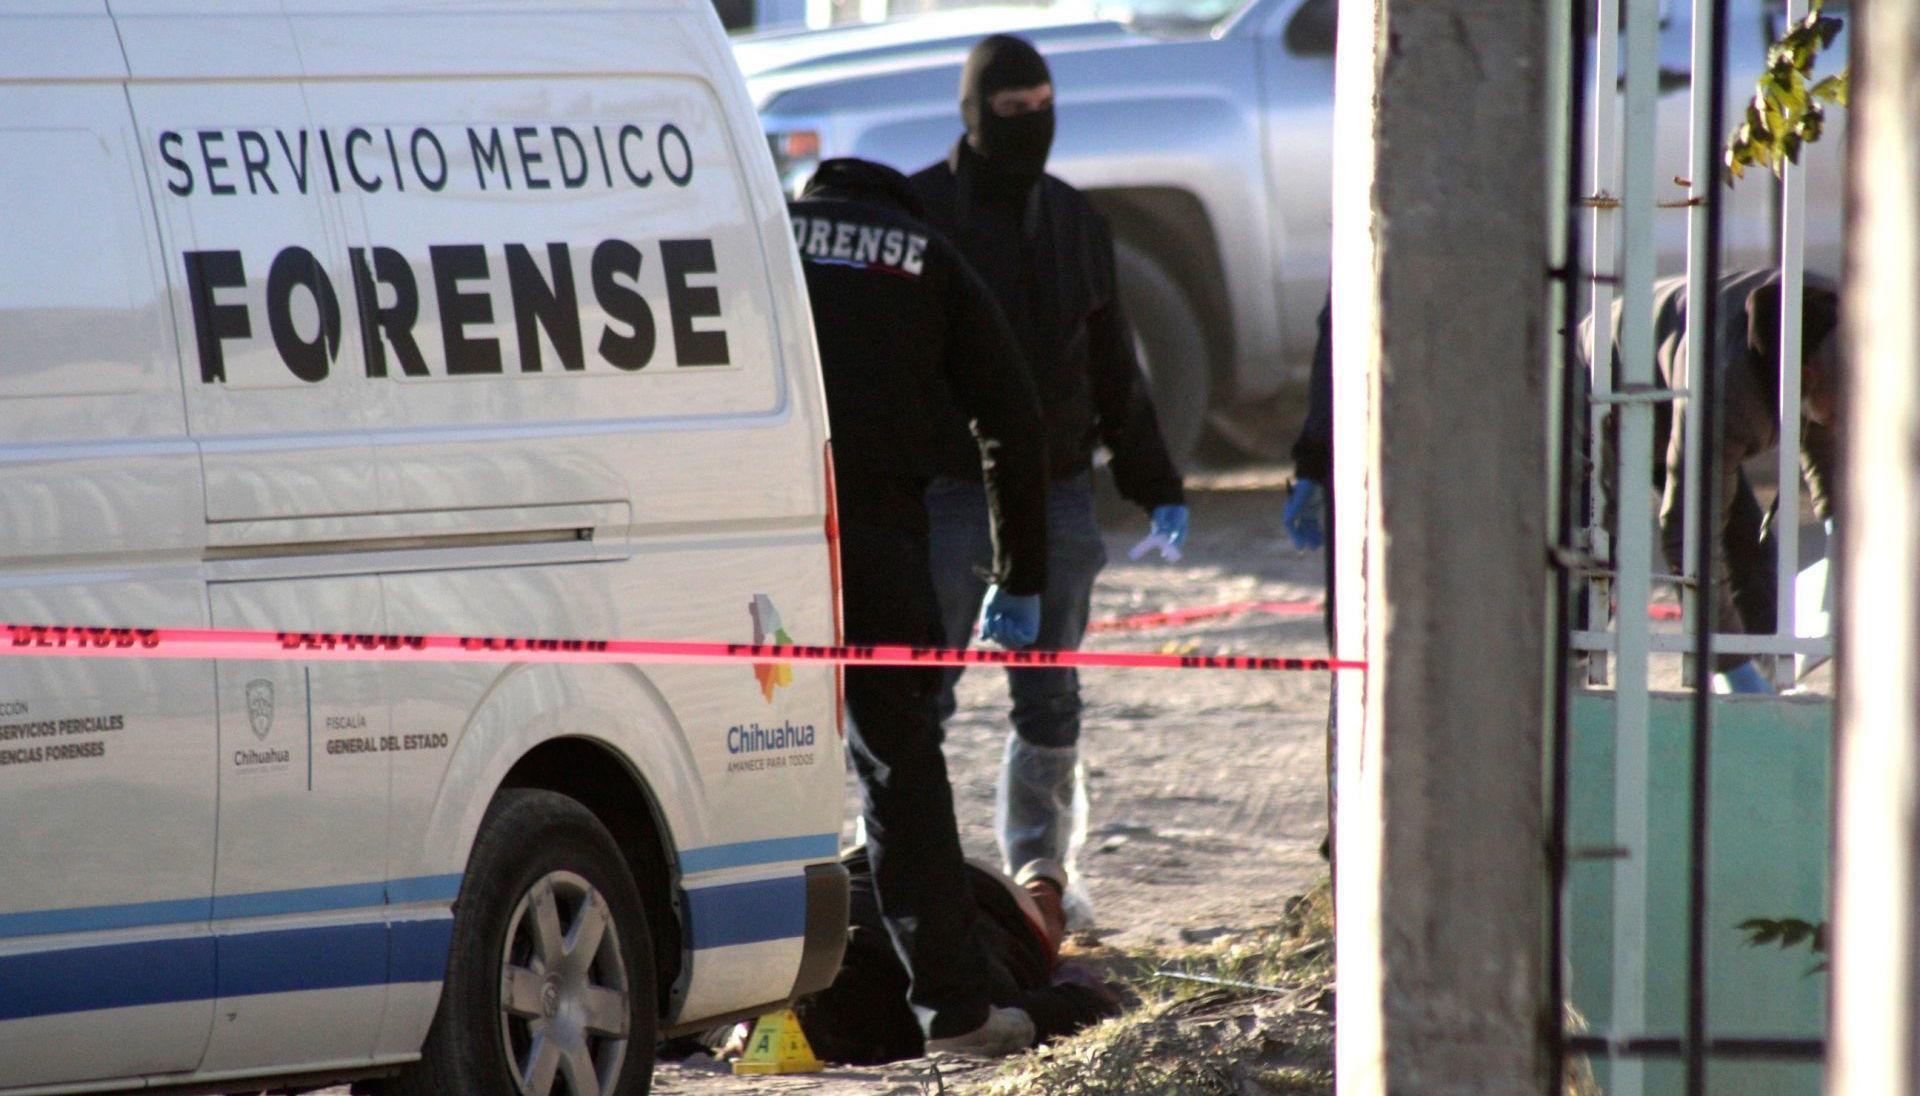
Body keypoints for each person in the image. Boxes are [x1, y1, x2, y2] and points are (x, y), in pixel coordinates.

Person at [910, 35, 1189, 927]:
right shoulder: (922, 217)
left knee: (1050, 693)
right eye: (1011, 111)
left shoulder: (1076, 223)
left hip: (1061, 489)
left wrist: (1156, 481)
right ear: (973, 111)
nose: (1031, 125)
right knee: (918, 689)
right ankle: (911, 870)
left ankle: (1041, 876)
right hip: (948, 493)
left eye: (1043, 108)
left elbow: (1114, 370)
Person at [790, 157, 1052, 1055]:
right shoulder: (926, 254)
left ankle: (693, 995)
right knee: (900, 771)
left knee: (703, 764)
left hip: (746, 532)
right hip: (873, 545)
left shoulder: (762, 235)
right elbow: (1013, 415)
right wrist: (1021, 572)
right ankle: (957, 1013)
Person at [1580, 268, 1841, 691]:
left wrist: (1843, 540)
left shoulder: (1836, 328)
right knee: (1587, 551)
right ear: (1806, 376)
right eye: (1838, 411)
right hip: (1596, 382)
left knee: (1751, 561)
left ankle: (1769, 689)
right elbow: (1688, 535)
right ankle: (1563, 690)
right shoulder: (1728, 389)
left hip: (1677, 388)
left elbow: (1828, 451)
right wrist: (1732, 667)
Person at [791, 846, 1122, 1064]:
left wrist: (1025, 1021)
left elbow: (1087, 1001)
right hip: (867, 859)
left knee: (1044, 935)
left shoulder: (962, 994)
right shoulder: (795, 969)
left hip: (989, 895)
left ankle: (1043, 880)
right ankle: (1042, 876)